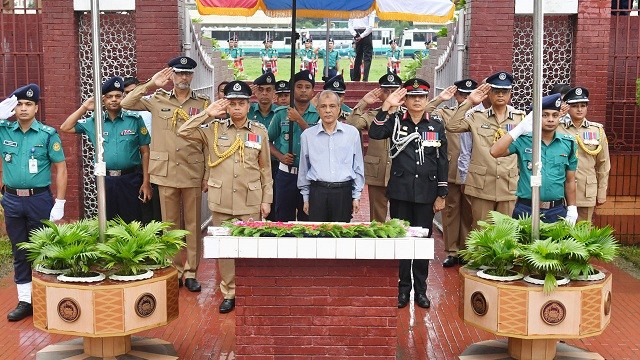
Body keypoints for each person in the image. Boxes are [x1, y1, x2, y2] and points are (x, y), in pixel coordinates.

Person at [178, 80, 272, 314]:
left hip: (249, 199)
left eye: (241, 103)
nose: (237, 107)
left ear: (249, 105)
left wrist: (267, 199)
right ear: (226, 106)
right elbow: (183, 131)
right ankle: (229, 292)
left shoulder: (259, 132)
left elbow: (265, 169)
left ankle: (249, 290)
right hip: (221, 200)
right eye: (232, 103)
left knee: (250, 249)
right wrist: (206, 113)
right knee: (226, 250)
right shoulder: (214, 129)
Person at [121, 56, 209, 292]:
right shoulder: (156, 99)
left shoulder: (202, 103)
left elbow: (209, 141)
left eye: (187, 73)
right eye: (179, 73)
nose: (183, 78)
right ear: (172, 76)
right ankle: (175, 269)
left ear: (192, 76)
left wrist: (207, 174)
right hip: (166, 170)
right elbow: (126, 102)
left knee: (192, 224)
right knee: (169, 224)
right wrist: (151, 84)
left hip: (192, 169)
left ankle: (191, 272)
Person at [368, 79, 448, 309]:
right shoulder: (394, 121)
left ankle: (421, 291)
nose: (416, 101)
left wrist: (441, 194)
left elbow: (442, 161)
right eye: (412, 97)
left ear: (426, 99)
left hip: (426, 193)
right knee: (402, 241)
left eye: (421, 97)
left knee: (422, 243)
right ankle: (403, 289)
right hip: (401, 192)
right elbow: (375, 133)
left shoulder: (435, 125)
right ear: (406, 99)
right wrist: (386, 107)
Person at [0, 84, 67, 321]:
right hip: (12, 199)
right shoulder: (4, 130)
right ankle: (25, 301)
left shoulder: (47, 134)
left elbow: (60, 168)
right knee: (20, 251)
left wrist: (60, 201)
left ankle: (48, 297)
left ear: (36, 107)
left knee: (44, 249)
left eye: (28, 104)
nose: (23, 108)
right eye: (19, 104)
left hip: (39, 199)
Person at [60, 76, 152, 223]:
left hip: (131, 179)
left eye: (118, 96)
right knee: (108, 222)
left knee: (133, 222)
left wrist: (146, 182)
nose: (114, 100)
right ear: (103, 100)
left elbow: (145, 152)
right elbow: (65, 127)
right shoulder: (95, 121)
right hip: (105, 180)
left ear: (123, 97)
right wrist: (84, 107)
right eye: (109, 97)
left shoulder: (134, 120)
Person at [445, 71, 526, 229]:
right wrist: (469, 102)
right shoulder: (476, 116)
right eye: (496, 91)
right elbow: (452, 126)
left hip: (508, 184)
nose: (500, 95)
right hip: (482, 184)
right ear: (489, 93)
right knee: (481, 231)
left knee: (506, 233)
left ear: (510, 94)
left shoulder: (520, 118)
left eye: (505, 92)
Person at [490, 94, 578, 224]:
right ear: (535, 118)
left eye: (555, 115)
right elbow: (495, 151)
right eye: (545, 115)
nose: (550, 120)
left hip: (556, 210)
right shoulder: (524, 140)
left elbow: (570, 180)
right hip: (526, 209)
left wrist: (572, 208)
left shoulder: (568, 143)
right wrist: (519, 129)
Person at [429, 79, 477, 267]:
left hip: (473, 171)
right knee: (450, 211)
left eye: (469, 95)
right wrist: (440, 98)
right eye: (462, 95)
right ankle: (452, 251)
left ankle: (467, 250)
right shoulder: (446, 113)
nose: (465, 98)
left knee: (470, 212)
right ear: (456, 95)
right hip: (450, 169)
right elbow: (423, 112)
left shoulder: (480, 115)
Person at [298, 91, 364, 222]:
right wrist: (306, 198)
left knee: (341, 237)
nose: (328, 110)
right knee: (316, 237)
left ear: (339, 108)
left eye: (332, 106)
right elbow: (304, 168)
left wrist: (356, 196)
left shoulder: (352, 133)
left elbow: (358, 166)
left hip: (343, 191)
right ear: (317, 109)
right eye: (323, 106)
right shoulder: (307, 135)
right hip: (318, 191)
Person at [346, 73, 402, 221]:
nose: (390, 94)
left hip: (401, 172)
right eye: (386, 91)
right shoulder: (373, 115)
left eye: (394, 90)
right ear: (380, 93)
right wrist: (363, 102)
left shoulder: (407, 115)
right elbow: (352, 126)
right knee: (377, 218)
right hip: (378, 170)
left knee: (401, 217)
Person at [267, 70, 319, 221]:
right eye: (299, 86)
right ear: (292, 90)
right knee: (283, 220)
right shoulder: (281, 113)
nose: (303, 90)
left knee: (308, 221)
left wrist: (299, 120)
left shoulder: (318, 114)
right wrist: (280, 156)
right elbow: (267, 141)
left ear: (313, 91)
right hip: (286, 174)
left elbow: (319, 141)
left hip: (310, 175)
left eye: (307, 87)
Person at [558, 87, 611, 222]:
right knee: (560, 233)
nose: (579, 109)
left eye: (583, 105)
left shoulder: (597, 130)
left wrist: (602, 191)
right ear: (567, 107)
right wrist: (558, 115)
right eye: (575, 106)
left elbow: (603, 164)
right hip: (561, 190)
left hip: (586, 190)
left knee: (583, 234)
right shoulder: (557, 127)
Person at [124, 76, 162, 224]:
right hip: (134, 166)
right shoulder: (122, 113)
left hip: (153, 162)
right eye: (126, 93)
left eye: (133, 91)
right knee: (137, 204)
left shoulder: (150, 109)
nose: (130, 95)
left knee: (154, 203)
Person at [348, 10, 375, 81]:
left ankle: (356, 78)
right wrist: (361, 36)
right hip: (366, 32)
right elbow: (371, 26)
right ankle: (365, 78)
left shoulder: (354, 7)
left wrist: (355, 35)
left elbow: (350, 24)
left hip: (357, 31)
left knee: (358, 56)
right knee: (367, 57)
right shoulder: (370, 8)